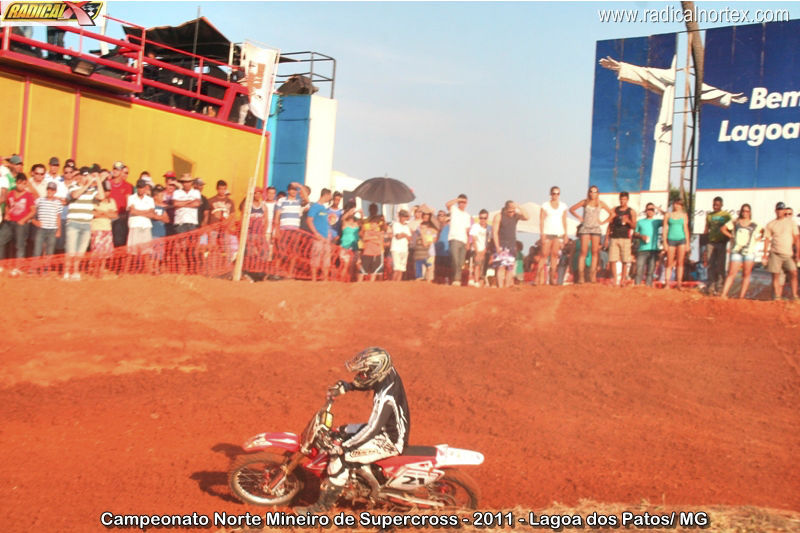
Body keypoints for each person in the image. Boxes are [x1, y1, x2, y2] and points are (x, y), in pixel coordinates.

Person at [296, 347, 409, 514]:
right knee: (340, 431)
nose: (361, 375)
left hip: (389, 439)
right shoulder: (388, 371)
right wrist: (349, 387)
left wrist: (345, 447)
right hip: (388, 429)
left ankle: (321, 509)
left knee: (340, 459)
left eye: (364, 372)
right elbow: (372, 381)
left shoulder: (386, 397)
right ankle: (360, 474)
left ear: (376, 371)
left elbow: (372, 429)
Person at [569, 185, 613, 283]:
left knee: (594, 252)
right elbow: (571, 209)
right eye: (591, 192)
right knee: (583, 251)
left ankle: (592, 276)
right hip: (585, 228)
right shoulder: (585, 202)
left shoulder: (600, 203)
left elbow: (612, 214)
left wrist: (603, 222)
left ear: (598, 193)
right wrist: (579, 217)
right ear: (589, 193)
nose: (593, 194)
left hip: (596, 229)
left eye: (595, 192)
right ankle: (581, 276)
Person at [720, 204, 762, 299]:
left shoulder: (754, 224)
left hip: (749, 251)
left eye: (747, 211)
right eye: (743, 211)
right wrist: (731, 236)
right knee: (731, 273)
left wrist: (758, 239)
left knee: (746, 274)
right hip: (736, 251)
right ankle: (723, 294)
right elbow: (723, 229)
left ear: (750, 212)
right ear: (741, 211)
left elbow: (763, 232)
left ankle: (741, 297)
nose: (745, 213)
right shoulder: (735, 222)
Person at [762, 202, 799, 301]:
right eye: (778, 209)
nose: (780, 211)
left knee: (794, 273)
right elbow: (767, 239)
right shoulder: (771, 224)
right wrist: (765, 255)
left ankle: (795, 296)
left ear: (784, 210)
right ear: (775, 210)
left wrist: (798, 253)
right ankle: (777, 297)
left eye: (782, 209)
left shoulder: (791, 223)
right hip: (775, 253)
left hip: (788, 254)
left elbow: (796, 238)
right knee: (776, 276)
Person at [491, 201, 529, 288]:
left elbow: (527, 217)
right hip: (502, 244)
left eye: (513, 211)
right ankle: (501, 287)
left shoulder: (515, 216)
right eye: (510, 211)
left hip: (511, 244)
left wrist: (518, 206)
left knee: (510, 267)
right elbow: (494, 232)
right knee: (501, 267)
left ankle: (507, 286)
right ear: (506, 209)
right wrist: (497, 246)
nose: (511, 213)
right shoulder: (499, 216)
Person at [0, 173, 36, 263]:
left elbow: (33, 211)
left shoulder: (28, 195)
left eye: (23, 184)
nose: (21, 186)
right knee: (0, 240)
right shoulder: (11, 193)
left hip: (21, 224)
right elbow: (7, 206)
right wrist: (7, 214)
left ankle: (18, 267)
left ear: (25, 184)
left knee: (20, 246)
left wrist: (23, 220)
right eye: (19, 183)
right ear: (16, 183)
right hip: (9, 222)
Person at [604, 191, 637, 286]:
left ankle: (622, 280)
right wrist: (606, 238)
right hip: (614, 237)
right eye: (621, 199)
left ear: (627, 200)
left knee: (625, 260)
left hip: (625, 238)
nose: (623, 201)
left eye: (624, 199)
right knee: (612, 259)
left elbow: (634, 226)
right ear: (619, 199)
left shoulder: (631, 211)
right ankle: (615, 280)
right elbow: (610, 224)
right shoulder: (614, 210)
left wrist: (628, 221)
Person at [539, 186, 569, 286]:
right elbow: (541, 220)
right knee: (544, 254)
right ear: (550, 194)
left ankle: (552, 277)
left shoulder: (563, 206)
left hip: (558, 232)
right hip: (547, 232)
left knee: (555, 255)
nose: (555, 195)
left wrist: (566, 234)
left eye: (557, 193)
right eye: (554, 193)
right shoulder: (545, 205)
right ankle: (538, 277)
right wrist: (542, 234)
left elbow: (564, 221)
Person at [703, 196, 732, 295]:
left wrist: (729, 241)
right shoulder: (709, 215)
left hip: (722, 243)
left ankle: (720, 288)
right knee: (710, 265)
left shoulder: (726, 215)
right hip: (711, 242)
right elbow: (706, 229)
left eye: (717, 205)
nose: (715, 206)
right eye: (714, 205)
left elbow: (730, 228)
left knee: (720, 266)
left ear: (721, 205)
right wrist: (704, 241)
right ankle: (710, 287)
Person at [632, 203, 663, 287]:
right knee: (639, 269)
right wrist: (641, 236)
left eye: (652, 210)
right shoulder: (640, 222)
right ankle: (637, 286)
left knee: (650, 270)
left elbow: (668, 217)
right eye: (649, 209)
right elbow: (635, 234)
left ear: (654, 211)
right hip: (642, 249)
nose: (650, 211)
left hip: (653, 249)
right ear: (645, 210)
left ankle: (648, 286)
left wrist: (657, 208)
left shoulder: (656, 221)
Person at [662, 199, 690, 290]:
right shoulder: (668, 215)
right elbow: (665, 229)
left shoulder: (684, 215)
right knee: (669, 262)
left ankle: (679, 284)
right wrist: (664, 242)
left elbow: (686, 229)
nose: (677, 206)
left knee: (680, 262)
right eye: (675, 204)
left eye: (679, 204)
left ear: (682, 206)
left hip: (681, 240)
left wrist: (688, 243)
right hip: (671, 239)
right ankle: (667, 283)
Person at [307, 188, 333, 282]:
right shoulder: (315, 206)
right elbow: (309, 220)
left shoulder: (323, 208)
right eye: (330, 196)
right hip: (318, 237)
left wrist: (329, 233)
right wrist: (315, 233)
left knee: (326, 260)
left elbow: (325, 222)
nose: (330, 198)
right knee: (315, 258)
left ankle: (325, 279)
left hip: (326, 238)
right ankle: (314, 279)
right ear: (326, 195)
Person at [445, 194, 471, 286]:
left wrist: (468, 242)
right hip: (454, 238)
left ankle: (456, 280)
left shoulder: (467, 215)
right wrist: (457, 199)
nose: (463, 204)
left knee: (460, 262)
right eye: (461, 202)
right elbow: (447, 204)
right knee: (455, 259)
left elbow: (467, 230)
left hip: (463, 240)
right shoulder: (454, 209)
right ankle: (456, 279)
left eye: (465, 202)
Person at [32, 181, 63, 258]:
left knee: (49, 251)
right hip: (41, 229)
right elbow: (32, 210)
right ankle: (34, 268)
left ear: (55, 191)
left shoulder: (58, 202)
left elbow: (58, 217)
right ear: (46, 190)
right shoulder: (40, 200)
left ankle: (46, 269)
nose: (50, 191)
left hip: (52, 230)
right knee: (37, 250)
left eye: (52, 190)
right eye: (49, 189)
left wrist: (59, 230)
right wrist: (33, 220)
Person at [468, 209, 490, 287]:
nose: (483, 220)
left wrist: (483, 251)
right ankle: (476, 281)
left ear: (487, 218)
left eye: (485, 218)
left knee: (484, 268)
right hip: (476, 249)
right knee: (477, 264)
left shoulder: (489, 228)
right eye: (481, 218)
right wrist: (478, 252)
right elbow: (474, 240)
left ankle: (481, 282)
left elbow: (490, 242)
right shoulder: (475, 226)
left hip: (485, 250)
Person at [390, 209, 412, 281]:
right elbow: (398, 236)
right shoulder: (396, 224)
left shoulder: (406, 226)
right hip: (396, 248)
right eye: (402, 216)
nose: (404, 218)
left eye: (405, 217)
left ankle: (398, 285)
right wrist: (405, 235)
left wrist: (403, 234)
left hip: (404, 249)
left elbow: (410, 238)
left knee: (401, 269)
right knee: (396, 269)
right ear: (399, 216)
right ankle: (393, 284)